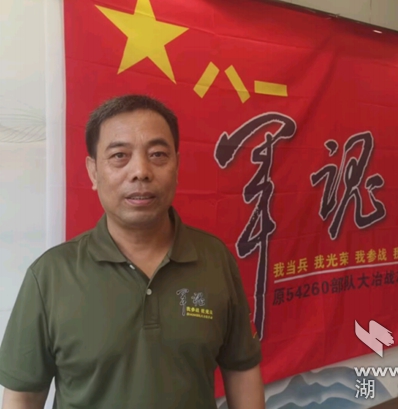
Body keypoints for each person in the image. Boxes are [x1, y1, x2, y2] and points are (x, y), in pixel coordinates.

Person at [0, 95, 265, 409]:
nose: (141, 171)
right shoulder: (50, 275)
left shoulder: (214, 259)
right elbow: (23, 396)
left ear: (177, 165)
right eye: (119, 156)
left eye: (157, 154)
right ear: (93, 172)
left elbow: (241, 369)